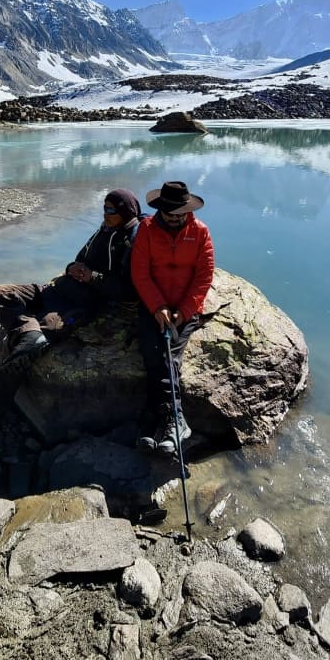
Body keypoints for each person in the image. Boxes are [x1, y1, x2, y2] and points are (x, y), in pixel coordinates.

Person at [0, 189, 143, 436]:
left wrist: (92, 277)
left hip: (75, 306)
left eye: (110, 210)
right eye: (104, 209)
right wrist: (73, 268)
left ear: (126, 212)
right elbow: (77, 260)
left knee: (29, 349)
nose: (104, 214)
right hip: (54, 289)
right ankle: (29, 331)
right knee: (0, 294)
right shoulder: (104, 230)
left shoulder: (134, 241)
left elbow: (128, 290)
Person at [131, 180, 214, 456]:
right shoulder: (147, 230)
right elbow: (140, 273)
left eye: (181, 214)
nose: (176, 219)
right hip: (153, 305)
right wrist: (157, 307)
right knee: (150, 351)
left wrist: (185, 310)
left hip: (184, 308)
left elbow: (204, 276)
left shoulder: (200, 232)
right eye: (171, 215)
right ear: (161, 211)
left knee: (169, 354)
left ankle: (162, 422)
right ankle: (172, 421)